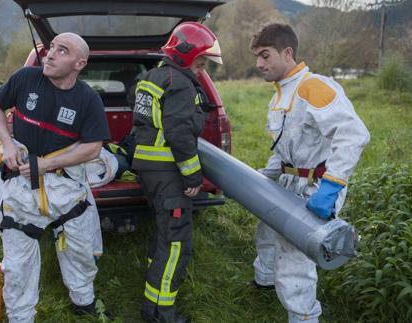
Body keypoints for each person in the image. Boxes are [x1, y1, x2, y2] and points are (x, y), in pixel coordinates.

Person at [0, 32, 111, 323]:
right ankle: (20, 317)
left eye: (61, 51)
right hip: (18, 185)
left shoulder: (88, 99)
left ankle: (84, 302)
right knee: (18, 262)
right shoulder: (25, 78)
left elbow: (93, 148)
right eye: (50, 47)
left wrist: (46, 165)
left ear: (80, 63)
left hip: (66, 187)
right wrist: (7, 142)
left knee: (79, 250)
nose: (50, 54)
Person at [250, 23, 370, 322]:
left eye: (265, 56)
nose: (259, 64)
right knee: (266, 231)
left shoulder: (313, 86)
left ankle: (303, 316)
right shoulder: (279, 94)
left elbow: (353, 134)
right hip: (289, 180)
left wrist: (330, 188)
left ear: (287, 52)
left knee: (294, 256)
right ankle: (263, 282)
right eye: (257, 57)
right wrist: (263, 177)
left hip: (318, 186)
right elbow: (284, 148)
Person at [132, 22, 223, 323]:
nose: (202, 69)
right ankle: (163, 312)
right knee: (175, 244)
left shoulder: (151, 77)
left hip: (147, 170)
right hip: (168, 173)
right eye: (200, 62)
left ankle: (150, 303)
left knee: (162, 236)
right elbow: (180, 135)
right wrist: (193, 177)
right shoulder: (180, 83)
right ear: (185, 54)